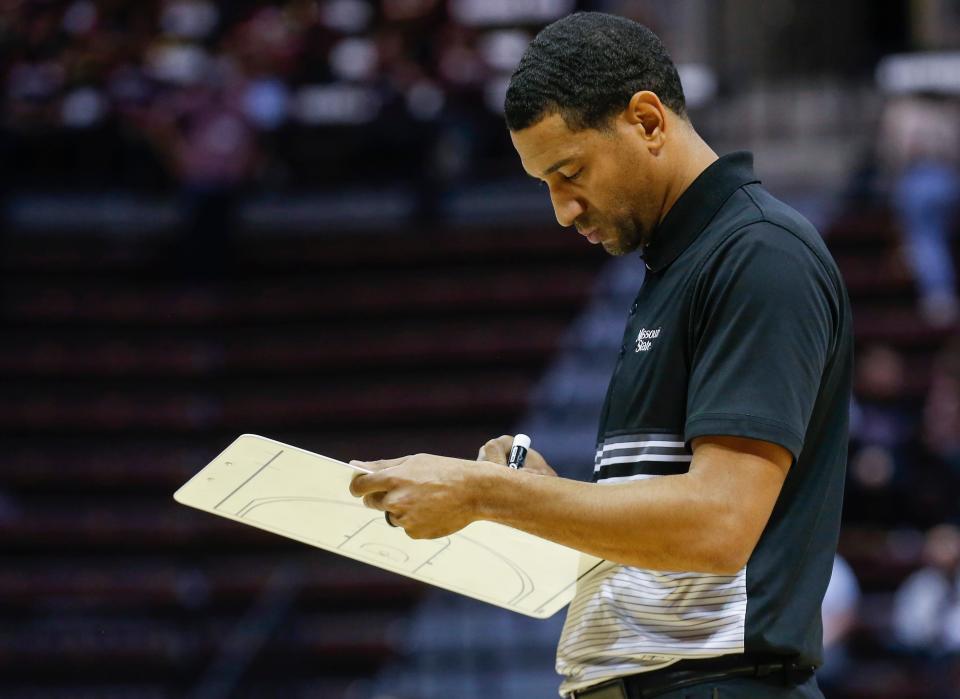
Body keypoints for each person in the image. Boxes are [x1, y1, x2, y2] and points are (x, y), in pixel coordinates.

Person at [349, 12, 853, 699]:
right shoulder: (677, 267)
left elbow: (717, 524)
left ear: (647, 121)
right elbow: (668, 537)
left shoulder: (759, 254)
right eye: (545, 184)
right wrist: (529, 498)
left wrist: (488, 491)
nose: (561, 209)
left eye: (569, 171)